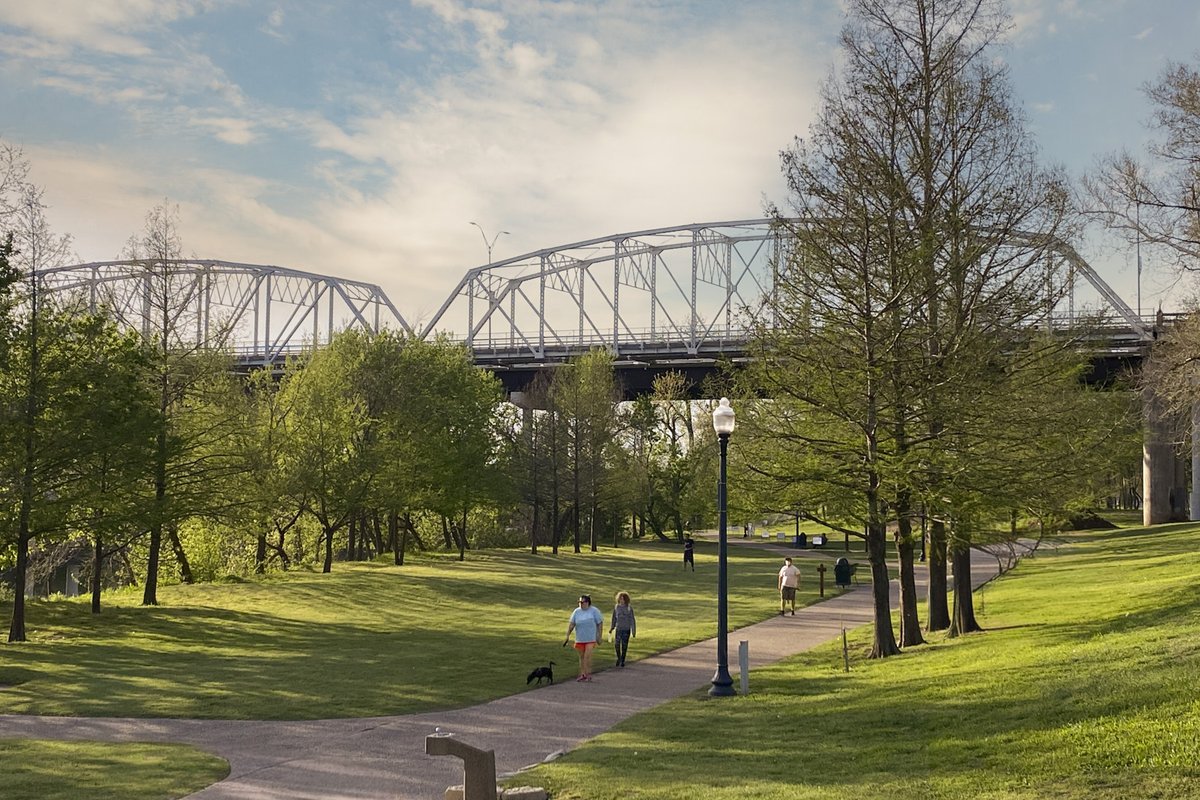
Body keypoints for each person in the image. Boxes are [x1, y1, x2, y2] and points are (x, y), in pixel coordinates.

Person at [564, 594, 604, 681]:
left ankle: (587, 673)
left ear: (587, 603)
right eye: (579, 602)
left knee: (587, 656)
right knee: (582, 657)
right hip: (580, 638)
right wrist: (567, 635)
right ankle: (583, 674)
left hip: (590, 638)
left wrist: (599, 635)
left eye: (582, 602)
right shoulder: (576, 612)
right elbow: (572, 624)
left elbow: (599, 623)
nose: (580, 604)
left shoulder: (594, 611)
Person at [609, 591, 637, 667]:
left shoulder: (629, 608)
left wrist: (633, 631)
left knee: (624, 645)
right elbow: (614, 618)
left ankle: (623, 660)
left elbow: (632, 619)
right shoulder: (616, 607)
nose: (622, 600)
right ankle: (619, 658)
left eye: (623, 599)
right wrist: (612, 627)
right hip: (618, 629)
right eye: (620, 599)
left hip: (626, 629)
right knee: (617, 645)